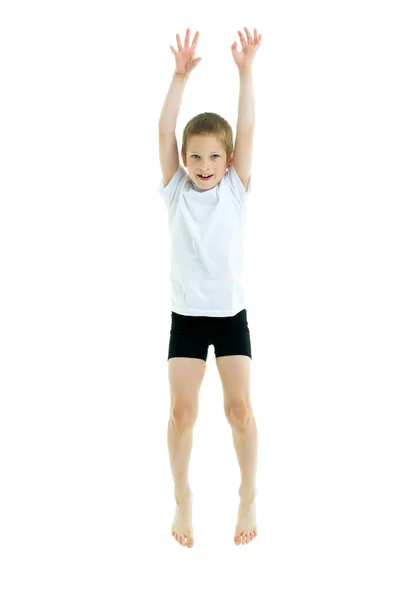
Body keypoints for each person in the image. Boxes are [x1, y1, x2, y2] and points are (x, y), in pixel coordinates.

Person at [158, 27, 262, 548]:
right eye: (195, 157)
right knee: (182, 413)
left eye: (213, 158)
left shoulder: (236, 192)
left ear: (227, 160)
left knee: (238, 410)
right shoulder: (176, 190)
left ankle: (248, 492)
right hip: (187, 317)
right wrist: (179, 77)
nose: (203, 167)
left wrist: (245, 72)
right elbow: (161, 134)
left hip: (229, 314)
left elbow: (244, 130)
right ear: (185, 160)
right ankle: (183, 495)